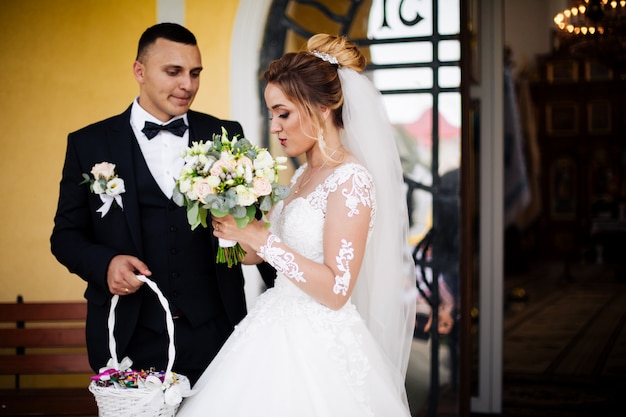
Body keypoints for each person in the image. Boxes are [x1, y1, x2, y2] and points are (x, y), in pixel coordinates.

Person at [177, 33, 417, 416]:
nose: (274, 126)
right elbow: (260, 255)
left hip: (319, 347)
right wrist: (234, 228)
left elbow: (337, 289)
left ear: (322, 107)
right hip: (271, 326)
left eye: (283, 113)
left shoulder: (351, 179)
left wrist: (262, 240)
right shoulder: (304, 173)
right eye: (272, 114)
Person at [50, 22, 251, 385]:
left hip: (215, 331)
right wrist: (106, 263)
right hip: (129, 334)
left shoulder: (226, 136)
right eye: (173, 72)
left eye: (194, 73)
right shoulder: (89, 144)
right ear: (139, 71)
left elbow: (254, 226)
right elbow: (65, 236)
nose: (187, 85)